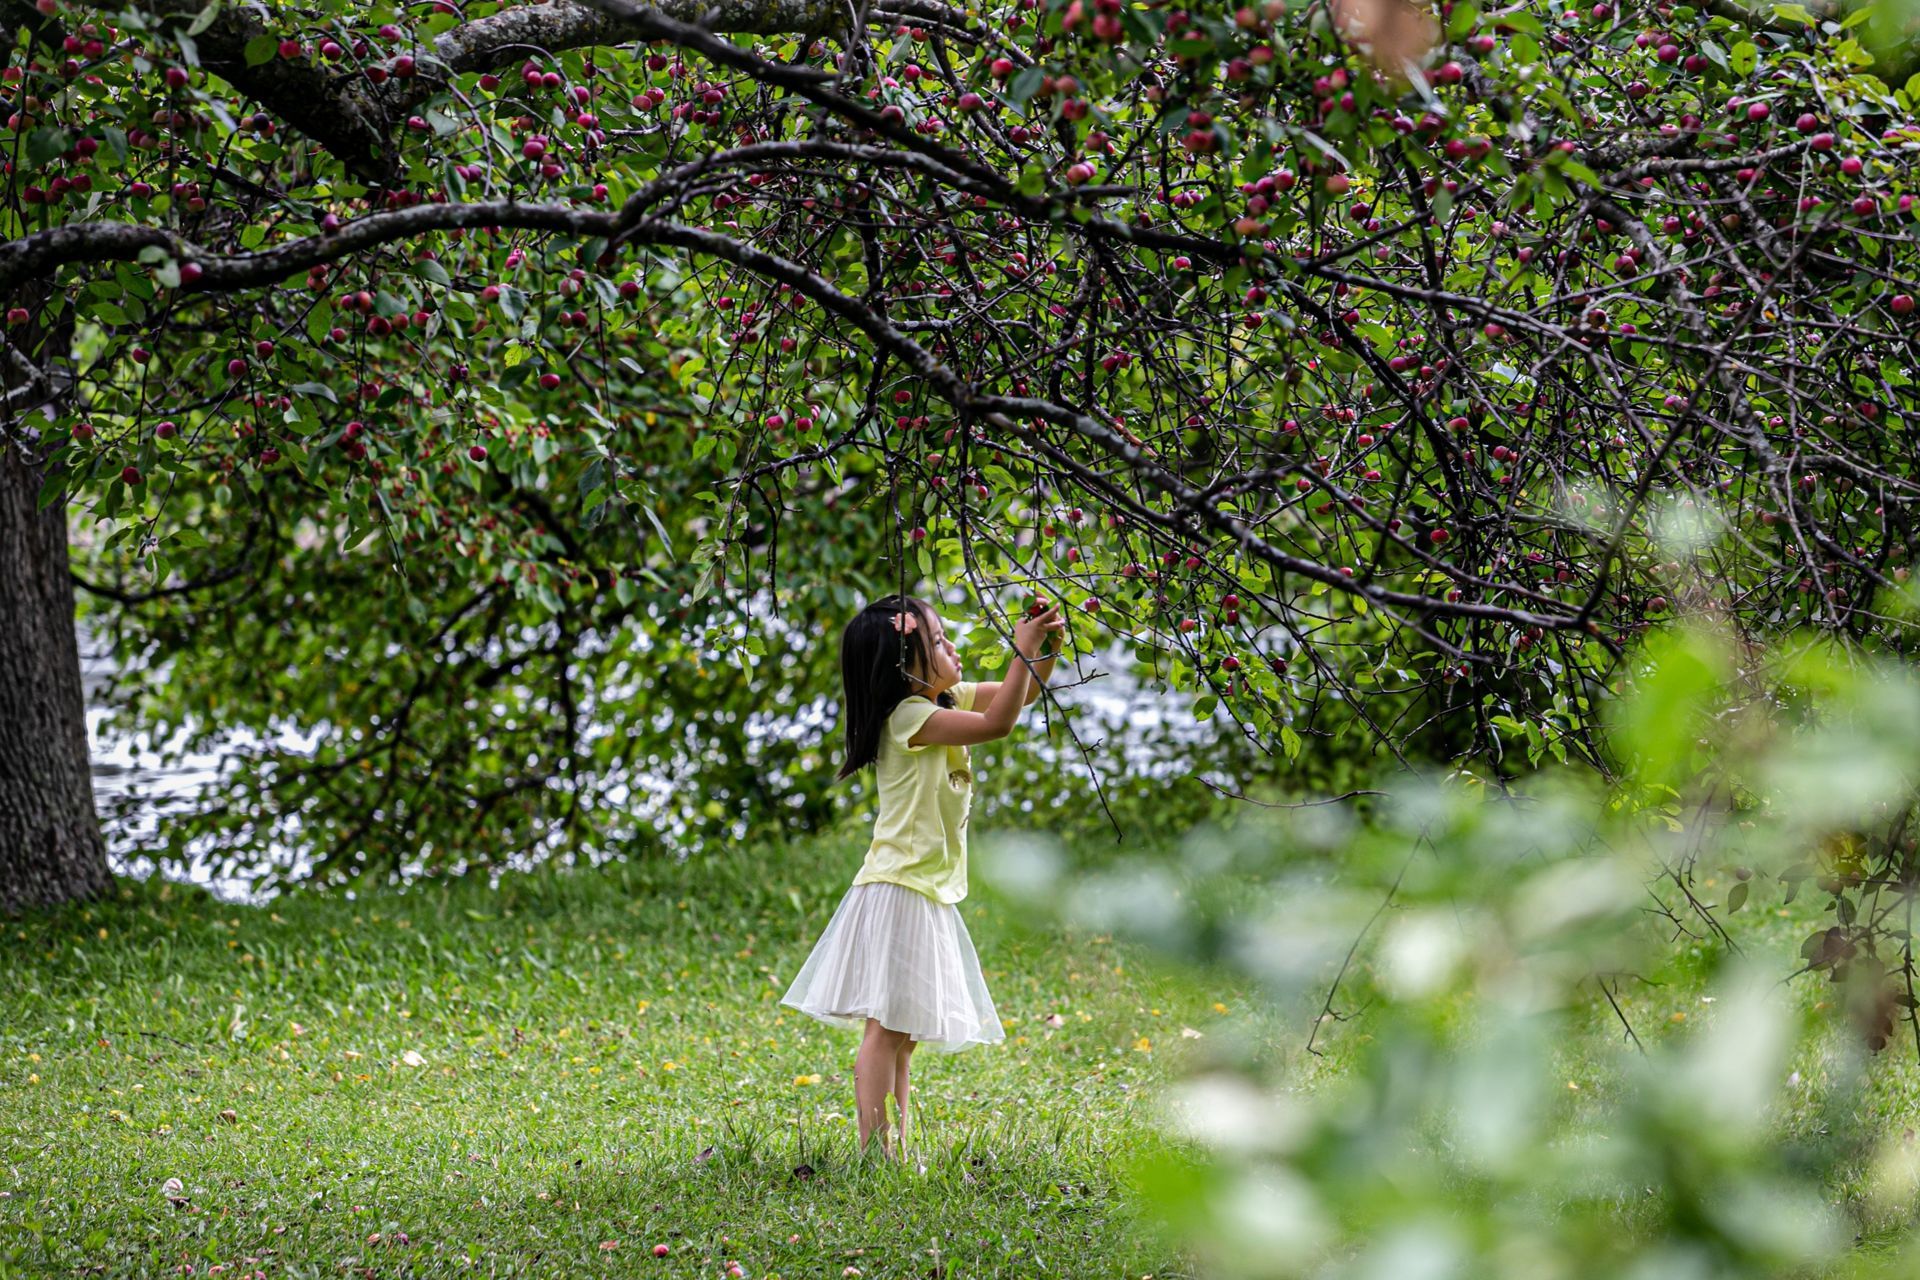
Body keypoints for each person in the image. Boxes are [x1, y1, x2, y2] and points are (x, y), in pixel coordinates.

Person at [780, 592, 1065, 1166]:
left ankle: (895, 1151)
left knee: (903, 1034)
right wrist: (1022, 648)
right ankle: (874, 1152)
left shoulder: (943, 699)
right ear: (903, 667)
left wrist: (1044, 647)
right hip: (900, 888)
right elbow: (998, 723)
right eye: (935, 641)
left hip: (923, 888)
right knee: (886, 1030)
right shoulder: (909, 717)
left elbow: (1024, 692)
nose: (951, 646)